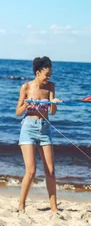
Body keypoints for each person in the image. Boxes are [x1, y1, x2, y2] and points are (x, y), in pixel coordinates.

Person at [16, 56, 61, 213]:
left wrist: (53, 103)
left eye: (50, 74)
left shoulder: (50, 87)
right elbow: (17, 111)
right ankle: (21, 204)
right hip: (28, 127)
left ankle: (54, 207)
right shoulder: (26, 87)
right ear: (37, 72)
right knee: (31, 170)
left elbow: (52, 113)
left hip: (44, 129)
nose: (48, 77)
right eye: (46, 74)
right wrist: (27, 104)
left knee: (50, 170)